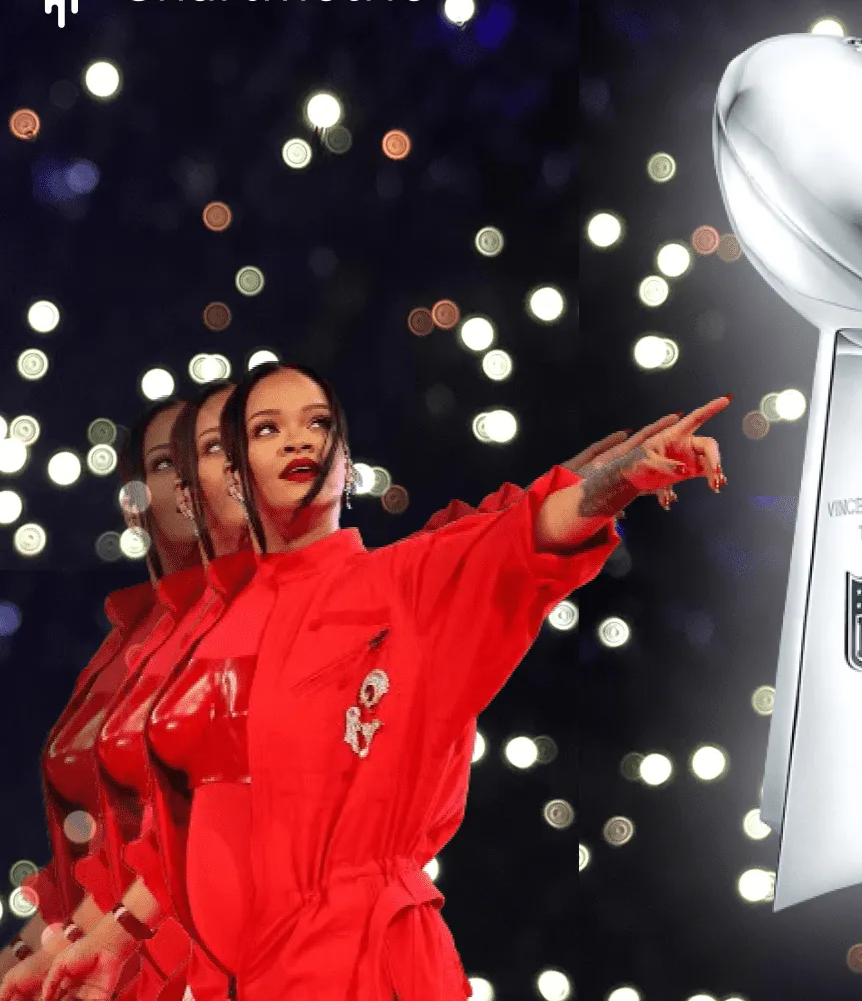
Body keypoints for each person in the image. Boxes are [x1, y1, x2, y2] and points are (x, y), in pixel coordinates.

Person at [37, 370, 671, 1001]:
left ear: (347, 460)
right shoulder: (221, 630)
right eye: (267, 430)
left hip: (368, 965)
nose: (297, 442)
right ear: (235, 473)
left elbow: (526, 536)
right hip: (243, 980)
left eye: (318, 424)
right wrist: (111, 938)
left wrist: (622, 480)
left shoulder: (401, 581)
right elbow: (193, 822)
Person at [0, 398, 202, 1000]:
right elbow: (90, 846)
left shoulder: (262, 622)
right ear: (132, 503)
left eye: (212, 450)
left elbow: (211, 828)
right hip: (94, 962)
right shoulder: (129, 636)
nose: (192, 476)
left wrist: (114, 936)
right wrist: (29, 951)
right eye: (168, 462)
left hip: (187, 959)